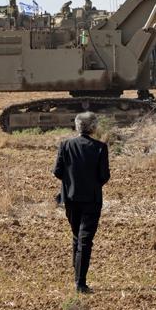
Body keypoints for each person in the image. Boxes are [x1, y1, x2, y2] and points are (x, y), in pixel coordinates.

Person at [53, 112, 111, 293]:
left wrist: (71, 183)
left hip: (70, 199)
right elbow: (104, 176)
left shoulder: (65, 145)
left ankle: (77, 275)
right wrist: (91, 185)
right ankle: (80, 283)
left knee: (77, 237)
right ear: (93, 127)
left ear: (77, 127)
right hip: (92, 200)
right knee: (85, 240)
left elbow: (57, 172)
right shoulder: (100, 147)